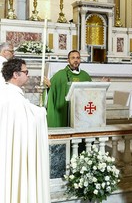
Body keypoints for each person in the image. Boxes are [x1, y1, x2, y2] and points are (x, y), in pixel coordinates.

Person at [0, 58, 50, 202]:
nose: (27, 75)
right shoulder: (14, 98)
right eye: (25, 72)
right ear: (16, 74)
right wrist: (41, 111)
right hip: (14, 150)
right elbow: (29, 120)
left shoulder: (4, 93)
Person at [46, 50, 92, 127]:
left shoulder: (85, 75)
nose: (76, 60)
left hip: (81, 111)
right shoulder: (60, 74)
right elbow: (52, 90)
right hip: (64, 110)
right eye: (73, 58)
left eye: (78, 58)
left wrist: (101, 83)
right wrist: (49, 86)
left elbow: (92, 92)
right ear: (68, 60)